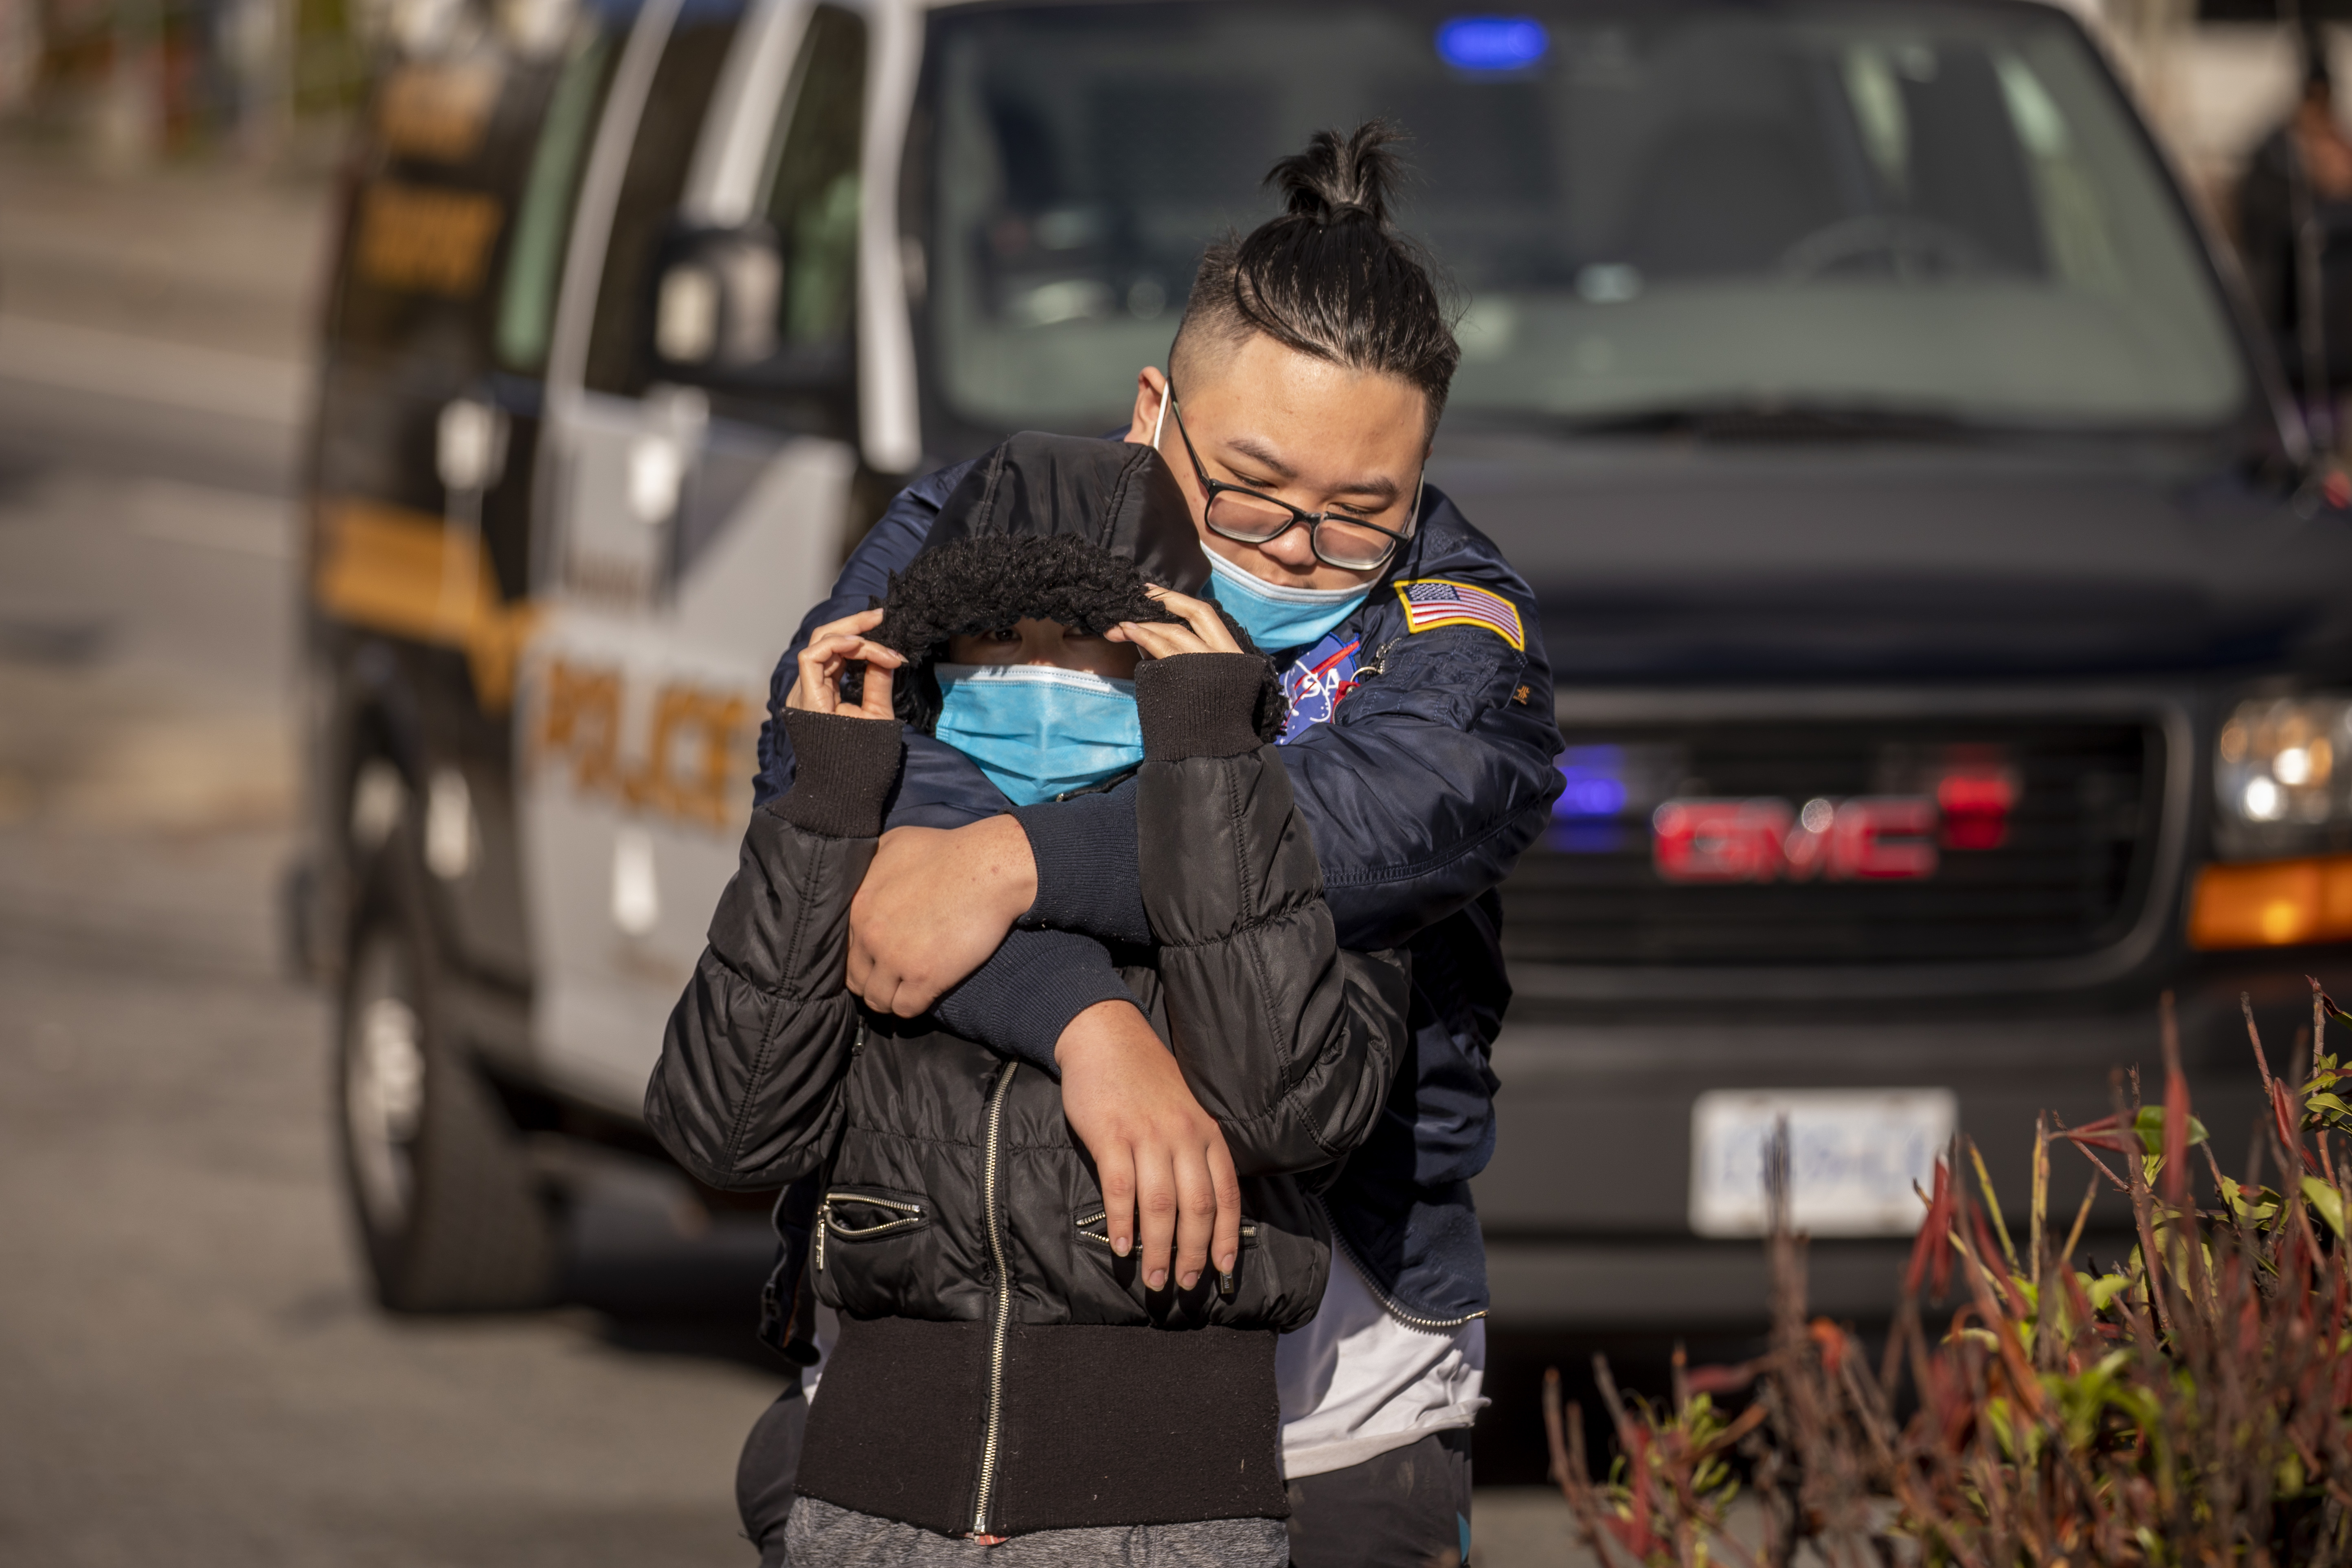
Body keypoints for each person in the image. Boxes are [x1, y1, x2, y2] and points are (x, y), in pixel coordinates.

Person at [742, 123, 1565, 1568]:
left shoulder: (1452, 624)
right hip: (948, 1345)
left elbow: (1377, 820)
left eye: (1355, 516)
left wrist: (1009, 865)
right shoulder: (976, 517)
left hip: (1325, 1396)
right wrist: (1084, 1024)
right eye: (1247, 491)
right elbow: (829, 788)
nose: (1291, 550)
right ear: (1147, 412)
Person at [648, 432, 1408, 1565]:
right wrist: (828, 800)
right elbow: (728, 1124)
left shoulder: (1280, 860)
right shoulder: (871, 864)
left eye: (1088, 644)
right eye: (996, 638)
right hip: (869, 1508)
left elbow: (1287, 1107)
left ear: (1170, 653)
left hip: (1166, 1524)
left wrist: (1209, 757)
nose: (1036, 673)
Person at [2236, 29, 2352, 428]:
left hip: (2335, 323)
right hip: (2282, 314)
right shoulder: (2273, 153)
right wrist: (2310, 178)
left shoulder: (2338, 145)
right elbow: (2260, 220)